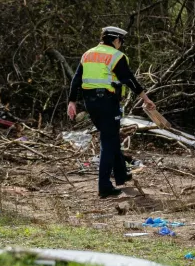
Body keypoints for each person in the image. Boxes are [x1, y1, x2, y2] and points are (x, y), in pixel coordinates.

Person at [67, 26, 157, 198]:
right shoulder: (116, 56)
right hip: (107, 102)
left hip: (90, 102)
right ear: (116, 40)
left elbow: (76, 79)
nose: (120, 45)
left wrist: (71, 101)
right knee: (108, 142)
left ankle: (121, 174)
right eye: (121, 42)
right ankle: (104, 187)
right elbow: (130, 79)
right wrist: (146, 98)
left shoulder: (88, 54)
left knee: (111, 137)